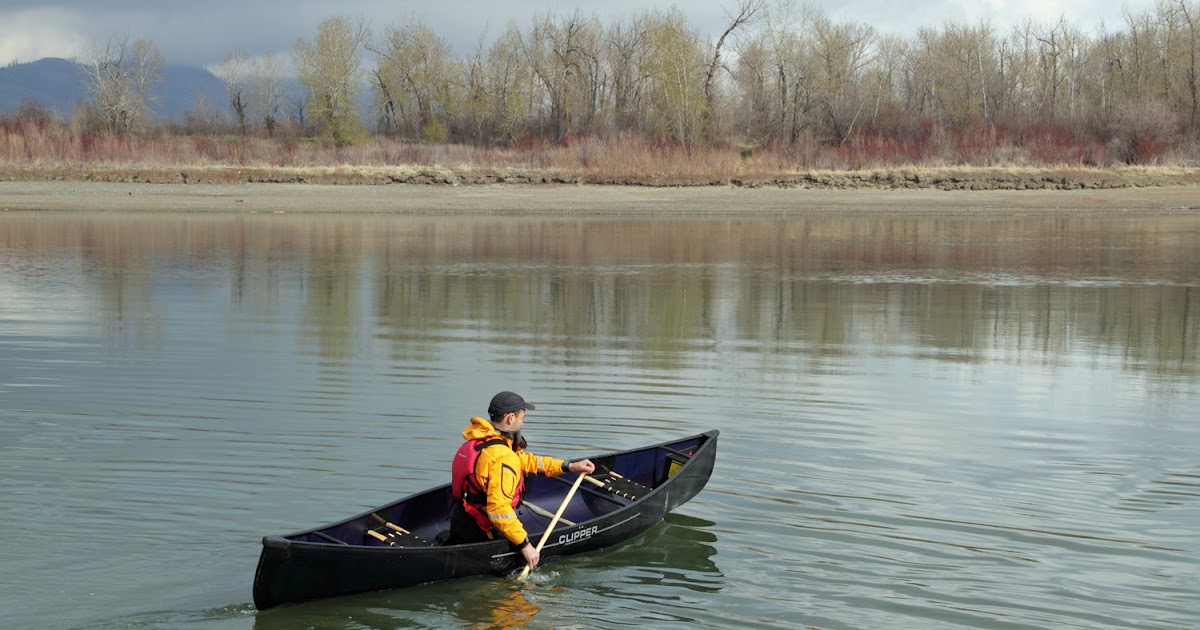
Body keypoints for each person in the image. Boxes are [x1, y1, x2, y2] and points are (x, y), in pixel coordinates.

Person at [448, 390, 595, 571]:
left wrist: (569, 466)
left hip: (462, 518)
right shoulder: (503, 456)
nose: (522, 423)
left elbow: (528, 461)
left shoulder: (480, 442)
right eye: (522, 418)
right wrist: (525, 546)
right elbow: (499, 510)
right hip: (482, 529)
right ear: (511, 418)